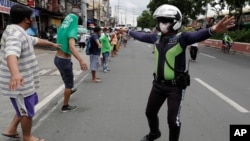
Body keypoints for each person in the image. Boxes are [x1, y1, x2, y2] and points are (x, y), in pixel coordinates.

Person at [120, 4, 235, 141]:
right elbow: (140, 35)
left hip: (175, 87)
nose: (162, 24)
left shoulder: (182, 38)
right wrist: (128, 31)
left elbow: (197, 35)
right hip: (157, 85)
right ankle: (154, 133)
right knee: (150, 112)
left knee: (173, 121)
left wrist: (213, 29)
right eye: (160, 20)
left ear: (176, 22)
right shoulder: (155, 37)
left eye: (166, 20)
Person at [0, 4, 60, 141]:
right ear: (27, 19)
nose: (33, 20)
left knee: (30, 103)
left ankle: (11, 129)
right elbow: (11, 53)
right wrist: (15, 74)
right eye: (32, 18)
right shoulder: (15, 35)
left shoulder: (19, 32)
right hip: (19, 84)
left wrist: (52, 44)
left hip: (26, 82)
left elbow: (36, 40)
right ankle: (27, 137)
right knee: (26, 111)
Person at [54, 13, 88, 112]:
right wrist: (81, 60)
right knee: (69, 83)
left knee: (66, 78)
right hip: (64, 60)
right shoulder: (72, 31)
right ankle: (65, 106)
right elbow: (72, 47)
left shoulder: (62, 29)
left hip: (57, 58)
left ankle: (69, 91)